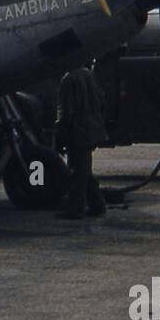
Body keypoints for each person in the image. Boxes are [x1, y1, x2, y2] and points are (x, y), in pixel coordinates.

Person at [53, 66, 109, 220]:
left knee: (77, 172)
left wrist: (60, 136)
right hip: (92, 129)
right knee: (84, 170)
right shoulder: (88, 74)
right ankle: (97, 204)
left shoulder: (68, 79)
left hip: (78, 132)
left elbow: (65, 112)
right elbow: (102, 102)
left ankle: (76, 209)